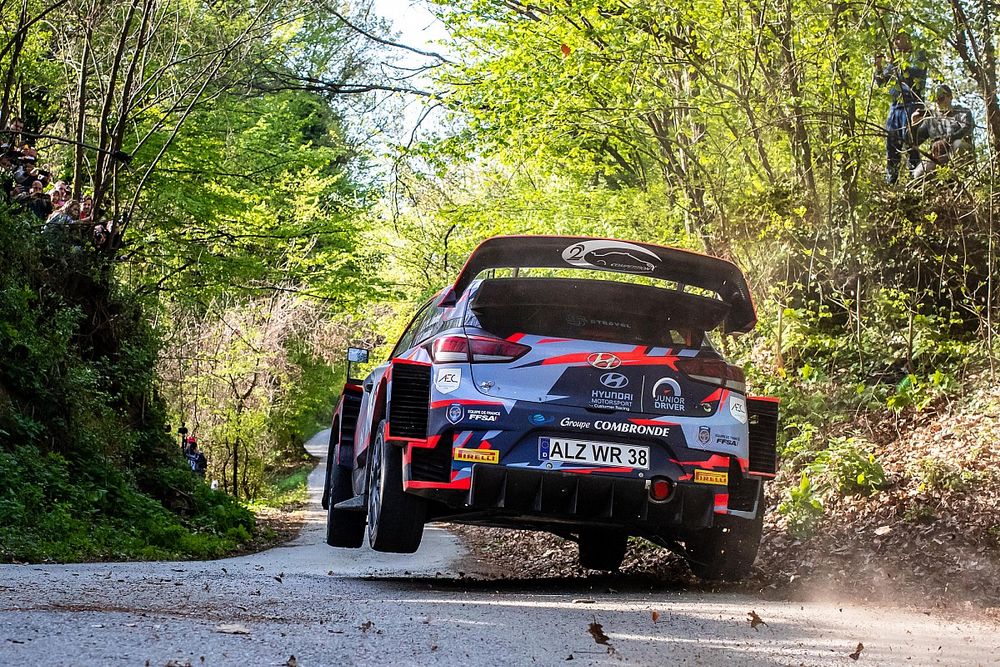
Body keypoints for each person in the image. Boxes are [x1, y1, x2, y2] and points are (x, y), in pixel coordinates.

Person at [874, 31, 928, 184]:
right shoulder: (893, 62)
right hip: (895, 107)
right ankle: (891, 180)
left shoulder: (918, 55)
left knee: (912, 142)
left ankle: (915, 180)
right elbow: (881, 82)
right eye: (895, 39)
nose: (897, 42)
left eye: (900, 38)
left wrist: (898, 64)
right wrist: (879, 67)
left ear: (908, 40)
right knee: (892, 143)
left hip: (912, 105)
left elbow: (917, 72)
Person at [911, 84, 975, 178]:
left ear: (950, 97)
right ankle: (941, 186)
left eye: (941, 98)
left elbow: (967, 128)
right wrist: (914, 125)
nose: (938, 102)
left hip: (955, 151)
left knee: (959, 144)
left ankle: (962, 178)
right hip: (938, 156)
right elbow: (914, 141)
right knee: (918, 174)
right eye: (935, 99)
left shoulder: (962, 112)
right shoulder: (931, 118)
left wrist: (950, 139)